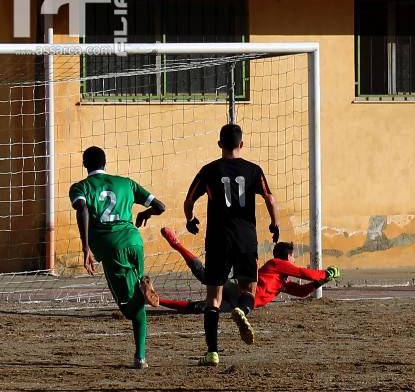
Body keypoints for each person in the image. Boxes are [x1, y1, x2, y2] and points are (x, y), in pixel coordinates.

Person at [184, 123, 278, 367]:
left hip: (217, 240)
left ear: (219, 144)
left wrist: (190, 220)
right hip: (245, 237)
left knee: (213, 298)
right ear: (242, 144)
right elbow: (269, 197)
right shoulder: (254, 170)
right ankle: (242, 311)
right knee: (249, 289)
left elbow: (189, 199)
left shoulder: (209, 170)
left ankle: (212, 352)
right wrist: (274, 224)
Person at [70, 146, 165, 369]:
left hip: (112, 248)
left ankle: (141, 357)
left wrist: (85, 249)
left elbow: (82, 209)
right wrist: (145, 213)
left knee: (129, 308)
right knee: (136, 295)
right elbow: (160, 206)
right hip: (134, 241)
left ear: (85, 165)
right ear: (106, 163)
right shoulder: (127, 183)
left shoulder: (81, 187)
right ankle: (143, 290)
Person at [141, 230, 339, 313]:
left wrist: (321, 282)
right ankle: (177, 244)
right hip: (238, 291)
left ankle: (155, 300)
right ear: (288, 257)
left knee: (201, 309)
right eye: (294, 257)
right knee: (207, 276)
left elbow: (302, 292)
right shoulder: (277, 263)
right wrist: (324, 273)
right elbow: (304, 274)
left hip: (239, 306)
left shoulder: (282, 282)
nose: (295, 261)